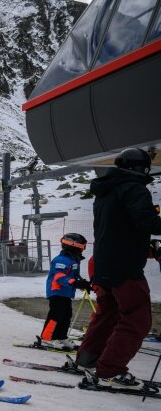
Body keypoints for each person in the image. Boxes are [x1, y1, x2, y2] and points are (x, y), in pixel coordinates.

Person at [75, 148, 161, 390]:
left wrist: (144, 244)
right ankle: (110, 371)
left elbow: (121, 228)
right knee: (136, 319)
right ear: (140, 168)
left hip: (104, 263)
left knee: (108, 313)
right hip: (125, 267)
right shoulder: (134, 188)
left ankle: (88, 359)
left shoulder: (106, 190)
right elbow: (147, 222)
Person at [37, 234, 90, 350]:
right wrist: (74, 283)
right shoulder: (61, 260)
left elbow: (72, 276)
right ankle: (47, 338)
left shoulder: (72, 260)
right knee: (57, 314)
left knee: (66, 314)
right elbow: (59, 277)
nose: (82, 250)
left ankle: (61, 337)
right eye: (81, 247)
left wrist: (83, 284)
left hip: (65, 293)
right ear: (73, 246)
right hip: (56, 292)